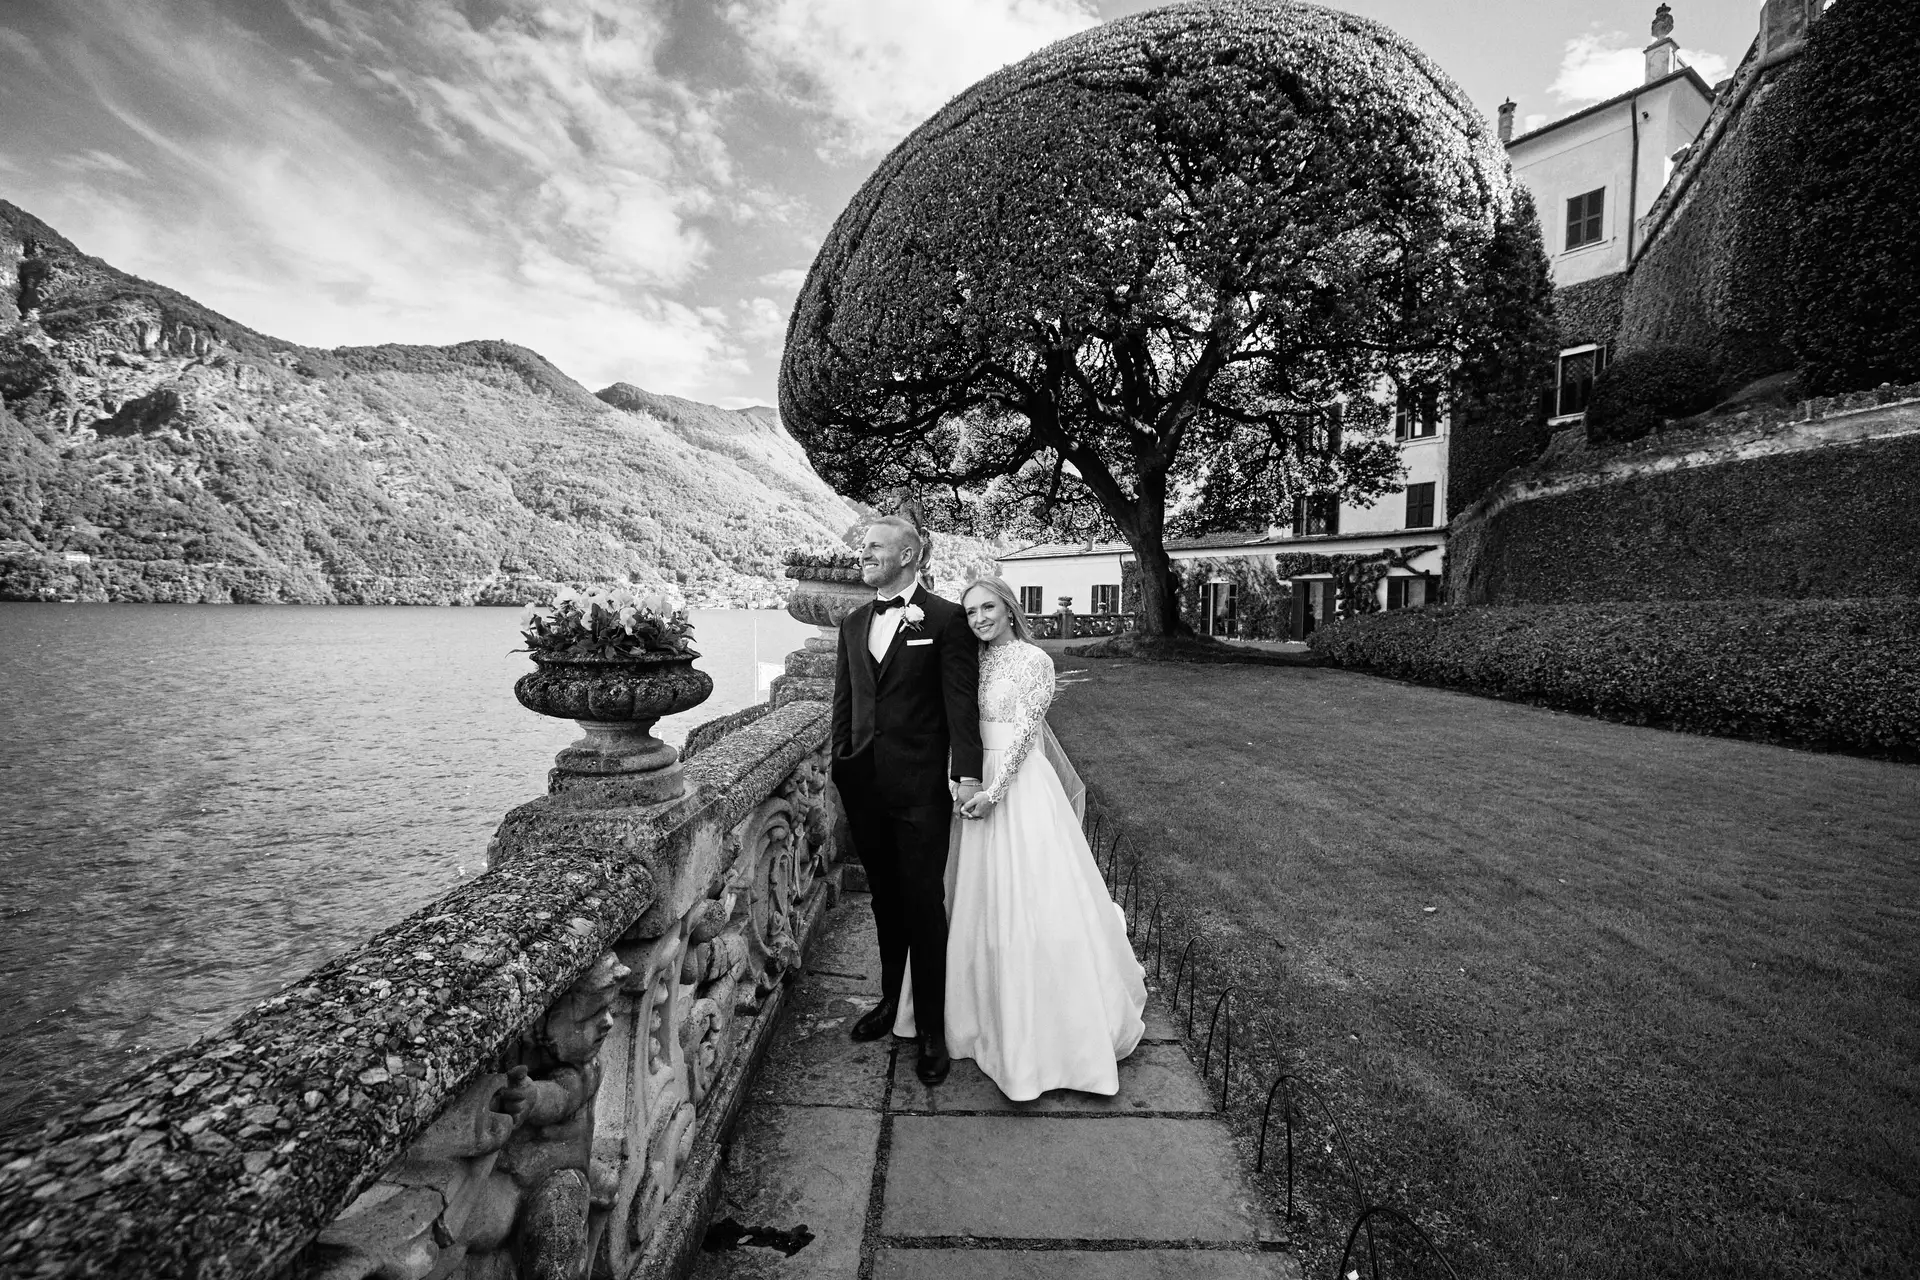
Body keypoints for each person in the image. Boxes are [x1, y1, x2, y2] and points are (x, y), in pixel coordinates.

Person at [896, 575, 1146, 1100]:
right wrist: (957, 778)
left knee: (1030, 897)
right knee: (970, 898)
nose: (980, 618)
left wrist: (995, 792)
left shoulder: (1035, 662)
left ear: (1009, 609)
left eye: (988, 607)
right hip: (970, 779)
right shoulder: (970, 661)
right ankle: (971, 1013)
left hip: (1017, 783)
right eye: (969, 613)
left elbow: (1027, 733)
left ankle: (1045, 1033)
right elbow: (956, 723)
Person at [831, 515, 982, 1085]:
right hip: (864, 787)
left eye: (875, 546)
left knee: (923, 905)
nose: (863, 553)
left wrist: (966, 775)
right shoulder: (852, 622)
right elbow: (845, 703)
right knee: (883, 902)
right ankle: (891, 1001)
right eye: (863, 546)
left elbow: (960, 706)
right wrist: (838, 765)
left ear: (910, 555)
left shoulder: (944, 620)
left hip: (920, 791)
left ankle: (934, 1031)